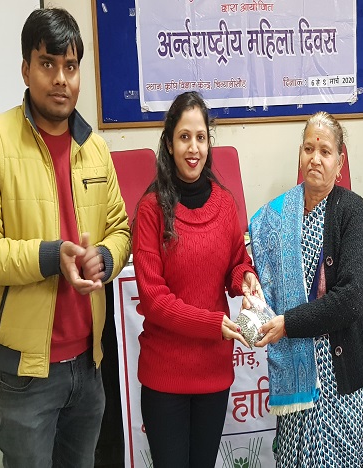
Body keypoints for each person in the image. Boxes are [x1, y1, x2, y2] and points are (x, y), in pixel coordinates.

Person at [0, 7, 131, 468]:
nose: (61, 78)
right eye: (47, 63)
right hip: (24, 372)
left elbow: (120, 229)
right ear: (26, 69)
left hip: (89, 363)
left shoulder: (94, 148)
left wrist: (105, 257)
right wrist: (50, 256)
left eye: (70, 66)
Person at [132, 91, 261, 468]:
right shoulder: (151, 209)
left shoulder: (225, 204)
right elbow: (154, 300)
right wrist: (211, 324)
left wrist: (245, 278)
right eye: (184, 137)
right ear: (169, 144)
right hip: (165, 377)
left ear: (209, 143)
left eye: (201, 137)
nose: (193, 148)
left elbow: (236, 262)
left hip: (213, 373)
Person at [249, 111, 363, 467]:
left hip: (338, 376)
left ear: (340, 162)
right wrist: (250, 286)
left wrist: (288, 323)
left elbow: (351, 299)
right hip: (296, 373)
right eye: (308, 149)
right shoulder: (278, 217)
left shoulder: (352, 211)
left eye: (325, 151)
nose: (315, 158)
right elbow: (259, 276)